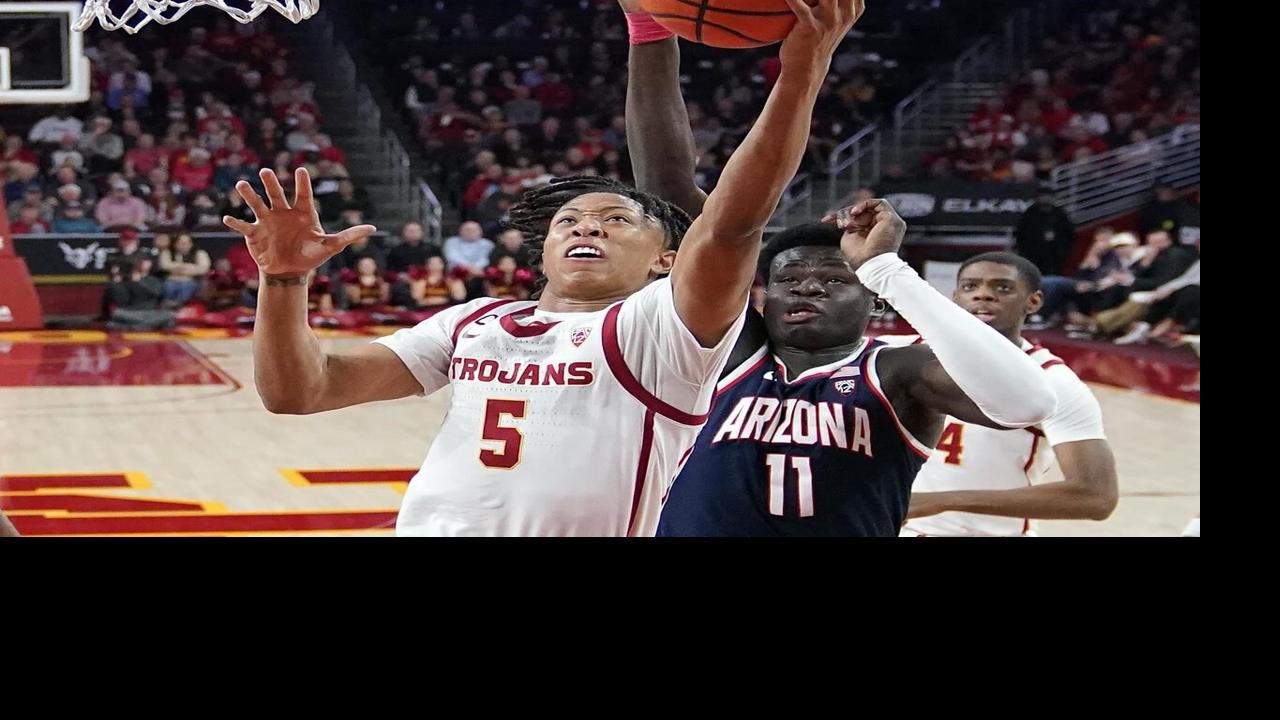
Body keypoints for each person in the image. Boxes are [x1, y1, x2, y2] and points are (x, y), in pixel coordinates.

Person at [221, 0, 865, 537]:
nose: (587, 225)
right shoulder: (475, 321)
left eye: (617, 220)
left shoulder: (662, 330)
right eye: (571, 220)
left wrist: (800, 75)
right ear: (545, 248)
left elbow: (731, 222)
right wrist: (282, 283)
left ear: (666, 261)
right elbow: (299, 392)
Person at [612, 1, 1056, 536]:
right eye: (788, 279)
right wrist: (648, 27)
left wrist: (887, 268)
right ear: (763, 296)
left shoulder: (898, 373)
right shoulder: (727, 351)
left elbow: (1027, 403)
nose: (806, 288)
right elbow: (667, 188)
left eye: (832, 280)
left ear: (870, 296)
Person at [896, 253, 1118, 536]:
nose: (983, 295)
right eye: (970, 287)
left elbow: (1096, 497)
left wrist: (945, 501)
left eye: (1002, 287)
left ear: (1034, 301)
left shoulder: (1053, 381)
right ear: (954, 297)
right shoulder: (902, 357)